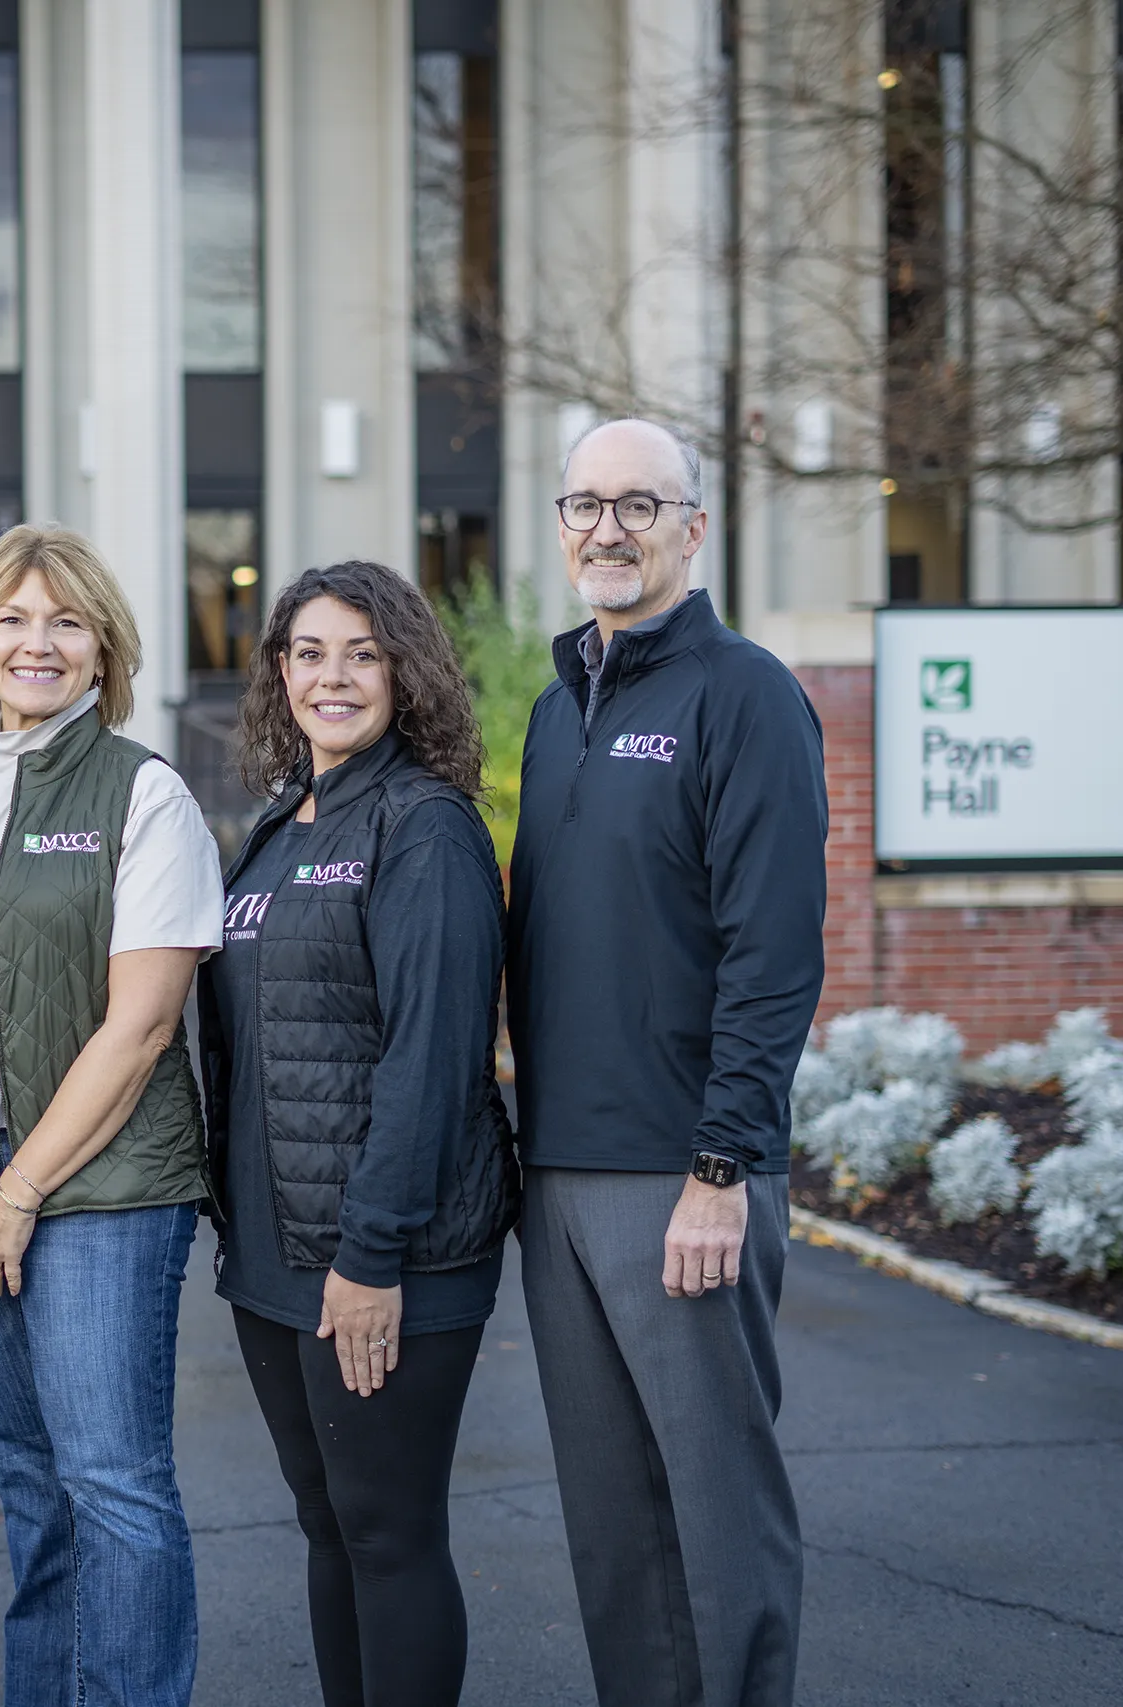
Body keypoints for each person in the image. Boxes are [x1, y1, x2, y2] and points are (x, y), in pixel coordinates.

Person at [0, 524, 224, 1707]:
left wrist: (17, 1192)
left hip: (101, 1182)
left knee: (111, 1481)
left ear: (101, 652)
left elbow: (142, 1026)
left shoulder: (144, 794)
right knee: (28, 1482)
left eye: (66, 621)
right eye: (13, 619)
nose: (38, 641)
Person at [506, 419, 826, 1707]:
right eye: (585, 503)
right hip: (557, 1174)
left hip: (676, 1174)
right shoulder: (552, 707)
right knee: (612, 1525)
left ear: (694, 527)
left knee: (714, 1511)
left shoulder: (743, 693)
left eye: (640, 504)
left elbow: (773, 952)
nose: (608, 529)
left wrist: (720, 1165)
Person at [202, 561, 519, 1707]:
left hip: (384, 1255)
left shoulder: (423, 827)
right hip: (277, 1252)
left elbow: (432, 1059)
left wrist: (370, 1256)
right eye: (309, 653)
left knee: (387, 1534)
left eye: (362, 654)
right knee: (328, 1527)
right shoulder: (281, 823)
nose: (331, 677)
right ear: (278, 670)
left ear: (405, 672)